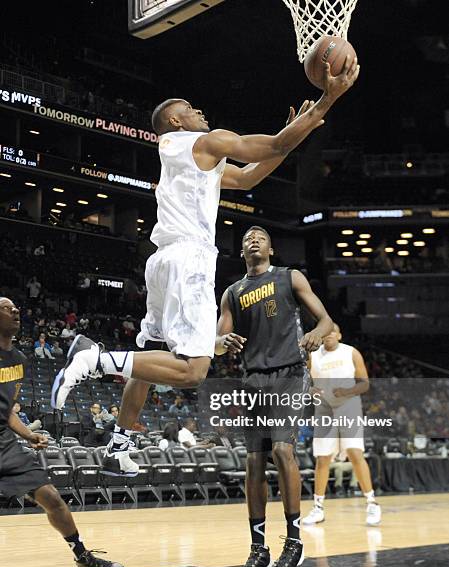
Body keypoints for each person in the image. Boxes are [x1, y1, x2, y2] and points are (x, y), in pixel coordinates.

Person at [51, 58, 359, 479]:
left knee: (149, 356)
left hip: (162, 260)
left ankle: (118, 444)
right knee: (193, 371)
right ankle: (97, 358)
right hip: (189, 260)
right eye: (193, 109)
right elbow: (270, 146)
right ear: (177, 120)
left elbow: (250, 176)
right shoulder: (203, 141)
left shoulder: (190, 158)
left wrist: (292, 135)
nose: (202, 113)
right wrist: (327, 100)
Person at [216, 226, 333, 567]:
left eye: (260, 236)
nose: (253, 239)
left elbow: (328, 321)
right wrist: (221, 340)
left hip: (290, 374)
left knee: (282, 450)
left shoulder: (289, 277)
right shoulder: (232, 293)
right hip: (254, 378)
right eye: (248, 238)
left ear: (271, 247)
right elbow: (218, 344)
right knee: (253, 461)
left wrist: (316, 333)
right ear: (241, 252)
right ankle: (258, 549)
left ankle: (294, 542)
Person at [0, 297, 124, 567]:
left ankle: (83, 557)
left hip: (4, 443)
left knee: (52, 497)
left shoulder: (18, 361)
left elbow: (8, 412)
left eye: (16, 308)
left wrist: (29, 434)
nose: (15, 311)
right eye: (7, 308)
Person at [303, 324, 381, 526]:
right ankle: (318, 508)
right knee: (322, 459)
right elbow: (305, 381)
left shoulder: (351, 352)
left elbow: (364, 383)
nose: (328, 335)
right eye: (325, 332)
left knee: (355, 453)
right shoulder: (313, 355)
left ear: (339, 334)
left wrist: (346, 392)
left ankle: (372, 503)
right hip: (324, 410)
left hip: (349, 406)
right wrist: (310, 391)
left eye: (332, 332)